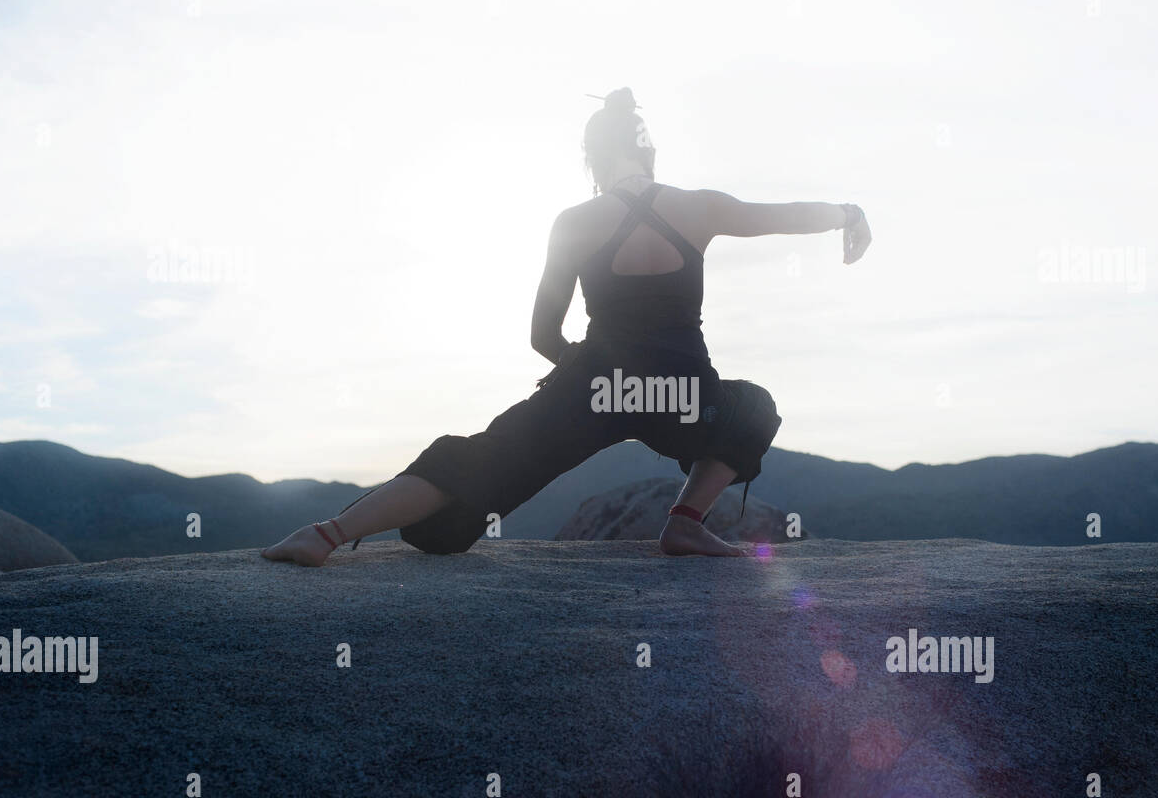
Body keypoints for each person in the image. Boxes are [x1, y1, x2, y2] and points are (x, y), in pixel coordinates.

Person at [263, 87, 869, 566]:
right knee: (755, 408)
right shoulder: (697, 206)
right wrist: (848, 213)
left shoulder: (574, 221)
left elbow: (541, 335)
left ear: (594, 160)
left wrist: (588, 381)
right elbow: (780, 216)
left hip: (595, 386)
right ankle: (685, 524)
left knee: (472, 465)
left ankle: (326, 535)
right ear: (647, 152)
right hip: (685, 396)